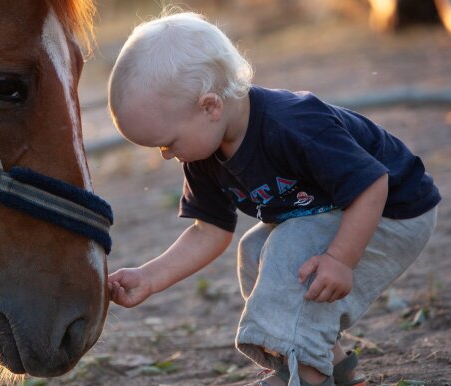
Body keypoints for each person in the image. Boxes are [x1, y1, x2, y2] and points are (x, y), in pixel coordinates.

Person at [106, 11, 441, 386]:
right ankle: (331, 366)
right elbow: (208, 232)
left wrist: (340, 259)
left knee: (289, 249)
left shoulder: (292, 124)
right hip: (335, 212)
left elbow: (372, 184)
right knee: (254, 251)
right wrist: (149, 278)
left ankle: (307, 376)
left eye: (167, 142)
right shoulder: (202, 151)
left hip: (393, 209)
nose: (166, 155)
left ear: (210, 107)